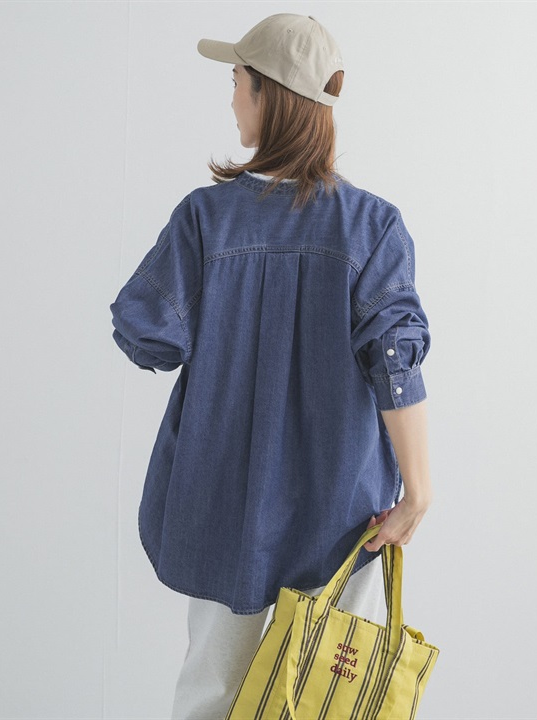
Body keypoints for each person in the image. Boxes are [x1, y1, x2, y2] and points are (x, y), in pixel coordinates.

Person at [109, 13, 433, 720]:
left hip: (220, 503)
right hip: (343, 510)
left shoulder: (205, 220)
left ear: (269, 95)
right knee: (324, 699)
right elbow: (394, 359)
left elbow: (145, 334)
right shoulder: (373, 226)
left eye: (237, 81)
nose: (231, 97)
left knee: (211, 693)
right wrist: (419, 490)